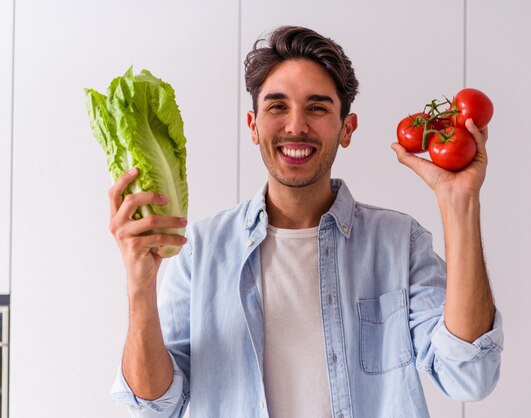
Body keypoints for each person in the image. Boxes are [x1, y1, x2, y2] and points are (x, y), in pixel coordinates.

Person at [109, 25, 503, 418]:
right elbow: (155, 406)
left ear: (346, 129)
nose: (296, 125)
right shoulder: (202, 249)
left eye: (317, 108)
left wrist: (460, 201)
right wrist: (139, 285)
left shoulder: (400, 243)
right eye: (277, 106)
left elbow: (469, 376)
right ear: (253, 126)